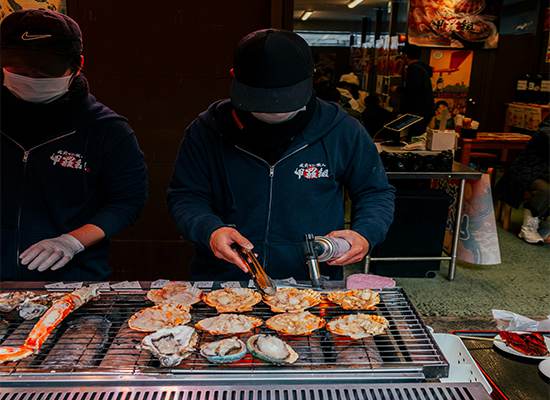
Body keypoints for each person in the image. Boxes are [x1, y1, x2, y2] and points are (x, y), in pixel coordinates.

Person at [168, 29, 395, 281]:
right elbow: (186, 195)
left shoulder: (342, 130)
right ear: (235, 79)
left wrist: (365, 233)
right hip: (224, 280)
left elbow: (375, 192)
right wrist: (209, 230)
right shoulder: (206, 130)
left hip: (312, 283)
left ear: (311, 80)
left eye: (284, 103)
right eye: (261, 104)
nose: (274, 112)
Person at [0, 9, 148, 281]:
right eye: (20, 69)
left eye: (45, 71)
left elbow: (128, 201)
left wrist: (73, 241)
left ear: (78, 65)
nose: (33, 77)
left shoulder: (106, 129)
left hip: (72, 280)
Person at [496, 116, 550, 244]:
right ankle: (528, 228)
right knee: (546, 190)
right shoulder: (546, 132)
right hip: (526, 172)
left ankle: (544, 226)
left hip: (542, 174)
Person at [400, 43, 434, 136]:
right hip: (425, 110)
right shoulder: (422, 68)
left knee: (413, 138)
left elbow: (412, 91)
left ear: (406, 56)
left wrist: (399, 90)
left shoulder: (414, 69)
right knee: (416, 136)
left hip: (417, 111)